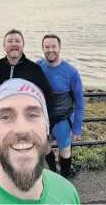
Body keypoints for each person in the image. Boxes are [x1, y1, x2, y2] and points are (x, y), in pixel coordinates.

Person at [0, 78, 80, 204]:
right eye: (6, 116)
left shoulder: (67, 191)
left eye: (32, 115)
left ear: (47, 126)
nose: (21, 129)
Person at [36, 34, 85, 178]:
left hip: (64, 120)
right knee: (45, 149)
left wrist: (77, 127)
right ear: (43, 48)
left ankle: (64, 179)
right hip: (45, 120)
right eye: (47, 47)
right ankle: (53, 171)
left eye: (53, 47)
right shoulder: (38, 66)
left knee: (65, 152)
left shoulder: (70, 71)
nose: (50, 50)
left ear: (59, 48)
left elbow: (80, 101)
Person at [0, 29, 55, 116]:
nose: (14, 44)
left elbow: (49, 96)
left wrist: (44, 120)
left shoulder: (34, 69)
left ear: (23, 45)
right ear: (4, 46)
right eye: (10, 41)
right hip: (1, 116)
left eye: (17, 41)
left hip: (25, 118)